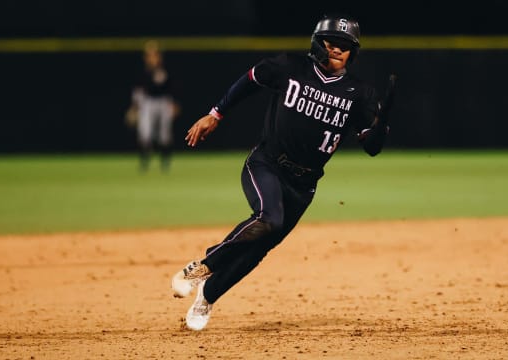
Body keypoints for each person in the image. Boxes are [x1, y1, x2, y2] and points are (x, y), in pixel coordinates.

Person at [171, 14, 391, 331]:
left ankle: (206, 299)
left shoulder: (361, 94)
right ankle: (202, 266)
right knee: (268, 219)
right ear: (318, 43)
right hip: (267, 164)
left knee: (261, 247)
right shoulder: (289, 67)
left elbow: (371, 146)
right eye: (333, 42)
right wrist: (215, 114)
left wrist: (381, 128)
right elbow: (249, 80)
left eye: (346, 46)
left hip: (304, 186)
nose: (339, 50)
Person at [126, 40, 180, 172]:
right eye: (150, 54)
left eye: (155, 54)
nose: (153, 57)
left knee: (165, 134)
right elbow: (137, 91)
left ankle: (165, 162)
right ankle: (144, 162)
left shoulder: (165, 71)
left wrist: (174, 104)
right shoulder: (142, 72)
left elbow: (172, 90)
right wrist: (134, 107)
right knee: (145, 133)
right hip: (147, 103)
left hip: (163, 102)